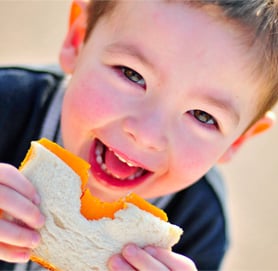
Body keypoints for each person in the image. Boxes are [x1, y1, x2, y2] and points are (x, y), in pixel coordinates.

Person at [0, 0, 277, 270]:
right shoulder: (7, 105)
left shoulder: (198, 222)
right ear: (78, 38)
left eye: (203, 116)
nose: (147, 135)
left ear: (237, 140)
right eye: (132, 74)